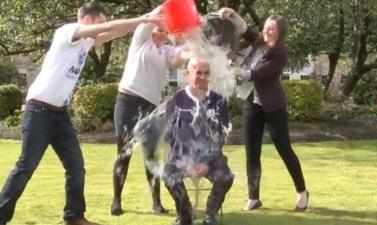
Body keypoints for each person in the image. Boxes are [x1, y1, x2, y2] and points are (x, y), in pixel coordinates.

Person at [0, 2, 162, 225]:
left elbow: (115, 30)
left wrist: (151, 16)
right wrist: (145, 20)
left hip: (60, 115)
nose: (104, 27)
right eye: (100, 22)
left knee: (76, 167)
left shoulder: (85, 43)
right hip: (38, 111)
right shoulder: (67, 31)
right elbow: (112, 26)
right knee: (26, 167)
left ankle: (74, 216)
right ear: (87, 19)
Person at [218, 8, 309, 212]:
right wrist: (231, 14)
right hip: (252, 104)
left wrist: (233, 71)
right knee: (252, 153)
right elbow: (244, 30)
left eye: (272, 28)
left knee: (284, 149)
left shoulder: (280, 53)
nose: (267, 30)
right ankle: (254, 197)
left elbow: (258, 74)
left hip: (273, 106)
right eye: (267, 27)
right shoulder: (259, 42)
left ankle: (302, 192)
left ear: (279, 32)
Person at [110, 6, 185, 216]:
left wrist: (181, 39)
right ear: (151, 30)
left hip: (150, 107)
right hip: (127, 100)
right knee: (123, 153)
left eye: (164, 31)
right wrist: (171, 4)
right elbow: (149, 18)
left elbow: (178, 59)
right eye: (157, 30)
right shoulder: (140, 41)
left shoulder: (167, 50)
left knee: (151, 156)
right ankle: (116, 201)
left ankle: (156, 203)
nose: (160, 34)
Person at [163, 58, 234, 225]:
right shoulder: (175, 101)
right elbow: (171, 135)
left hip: (211, 158)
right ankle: (185, 213)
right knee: (168, 174)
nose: (202, 77)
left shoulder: (219, 102)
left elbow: (221, 136)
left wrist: (207, 163)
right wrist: (187, 162)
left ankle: (210, 214)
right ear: (187, 74)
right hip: (182, 157)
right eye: (198, 73)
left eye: (206, 73)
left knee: (226, 177)